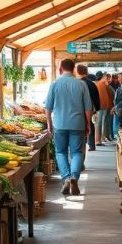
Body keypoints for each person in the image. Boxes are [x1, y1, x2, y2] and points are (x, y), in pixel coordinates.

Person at [44, 59, 91, 196]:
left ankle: (66, 178)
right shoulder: (81, 84)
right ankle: (74, 178)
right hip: (77, 124)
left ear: (61, 68)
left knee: (61, 152)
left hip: (59, 124)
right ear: (74, 69)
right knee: (77, 152)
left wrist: (49, 124)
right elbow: (88, 108)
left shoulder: (55, 84)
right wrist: (88, 123)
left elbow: (48, 107)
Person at [75, 64, 100, 155]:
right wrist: (96, 109)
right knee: (90, 125)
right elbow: (96, 98)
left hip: (79, 110)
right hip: (90, 109)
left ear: (77, 72)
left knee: (81, 129)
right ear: (86, 72)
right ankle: (92, 145)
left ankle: (83, 144)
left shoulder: (77, 83)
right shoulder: (91, 84)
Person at [94, 72, 113, 146]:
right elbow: (109, 95)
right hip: (103, 106)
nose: (109, 79)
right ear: (104, 77)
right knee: (100, 122)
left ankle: (101, 138)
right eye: (107, 78)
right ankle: (98, 140)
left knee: (101, 122)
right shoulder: (102, 84)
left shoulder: (99, 84)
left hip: (103, 105)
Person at [102, 73, 115, 141]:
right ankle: (105, 136)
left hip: (110, 106)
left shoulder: (109, 86)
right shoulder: (105, 86)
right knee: (106, 121)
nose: (110, 80)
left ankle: (108, 136)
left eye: (110, 78)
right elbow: (113, 96)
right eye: (108, 78)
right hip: (106, 106)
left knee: (108, 121)